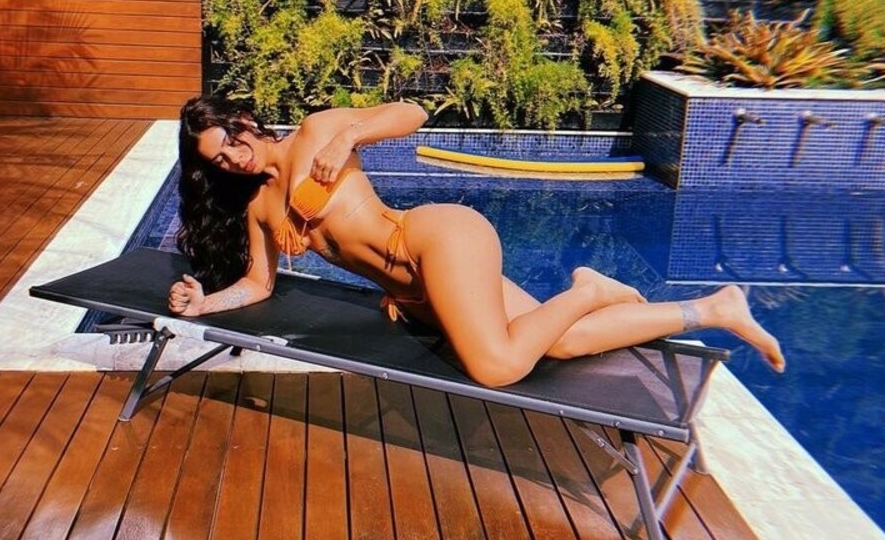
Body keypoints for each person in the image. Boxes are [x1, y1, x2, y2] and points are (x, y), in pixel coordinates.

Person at [168, 95, 784, 386]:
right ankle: (713, 308)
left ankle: (589, 290)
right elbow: (258, 283)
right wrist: (204, 304)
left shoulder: (315, 131)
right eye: (219, 160)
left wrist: (349, 135)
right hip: (418, 295)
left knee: (497, 365)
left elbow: (412, 112)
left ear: (243, 120)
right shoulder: (259, 208)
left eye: (231, 142)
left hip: (435, 240)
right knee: (561, 343)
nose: (234, 159)